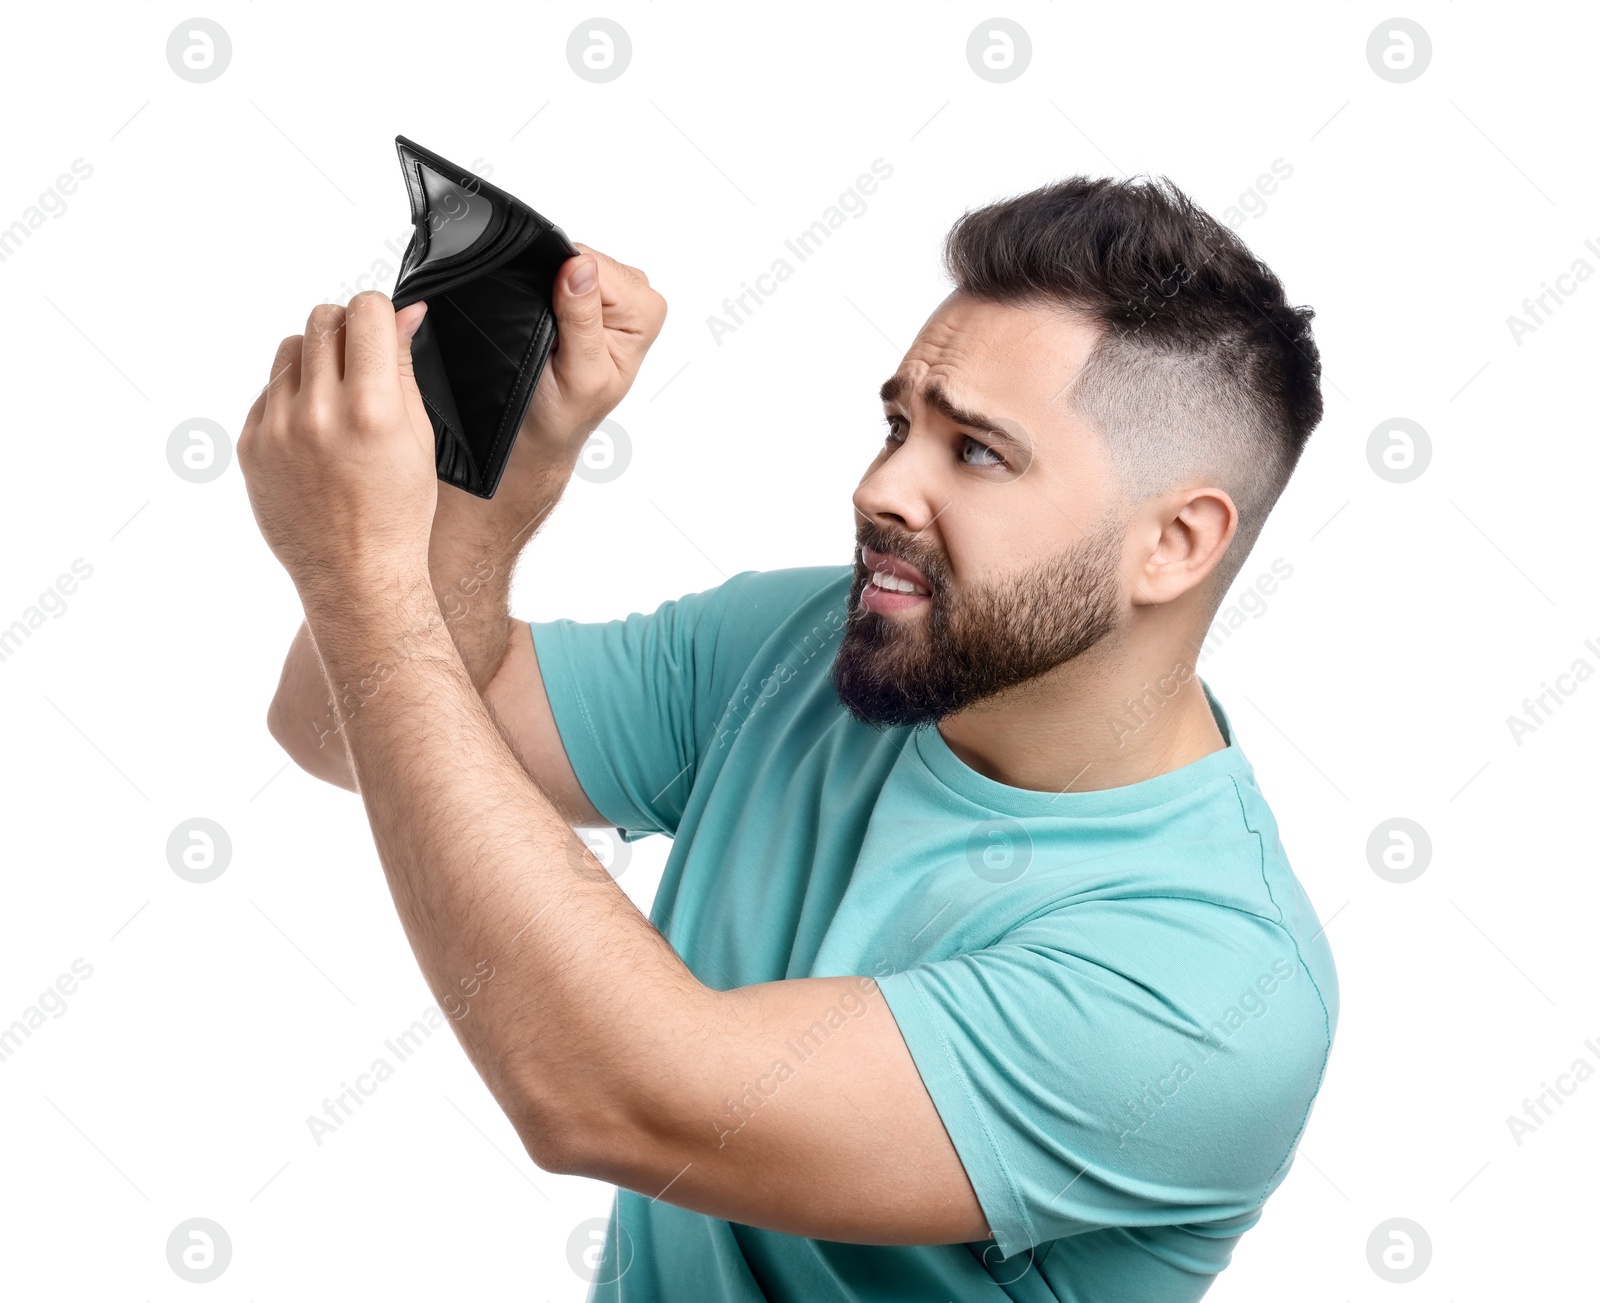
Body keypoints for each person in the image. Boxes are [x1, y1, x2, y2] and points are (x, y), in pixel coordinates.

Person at [249, 174, 1338, 1301]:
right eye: (898, 424)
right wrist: (506, 472)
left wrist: (360, 564)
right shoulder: (818, 642)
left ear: (1174, 542)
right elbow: (339, 722)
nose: (879, 485)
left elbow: (605, 1096)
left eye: (975, 453)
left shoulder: (1206, 987)